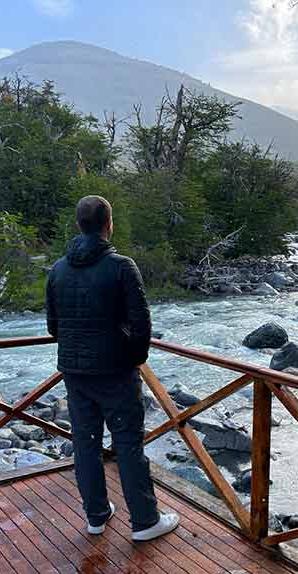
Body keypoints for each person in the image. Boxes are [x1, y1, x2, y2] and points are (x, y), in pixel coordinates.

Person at [46, 195, 179, 540]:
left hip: (74, 372)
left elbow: (53, 326)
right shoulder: (121, 266)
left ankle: (96, 515)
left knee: (85, 443)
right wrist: (134, 358)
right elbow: (141, 322)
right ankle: (146, 521)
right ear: (108, 224)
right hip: (115, 371)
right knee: (128, 444)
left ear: (79, 225)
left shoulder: (58, 269)